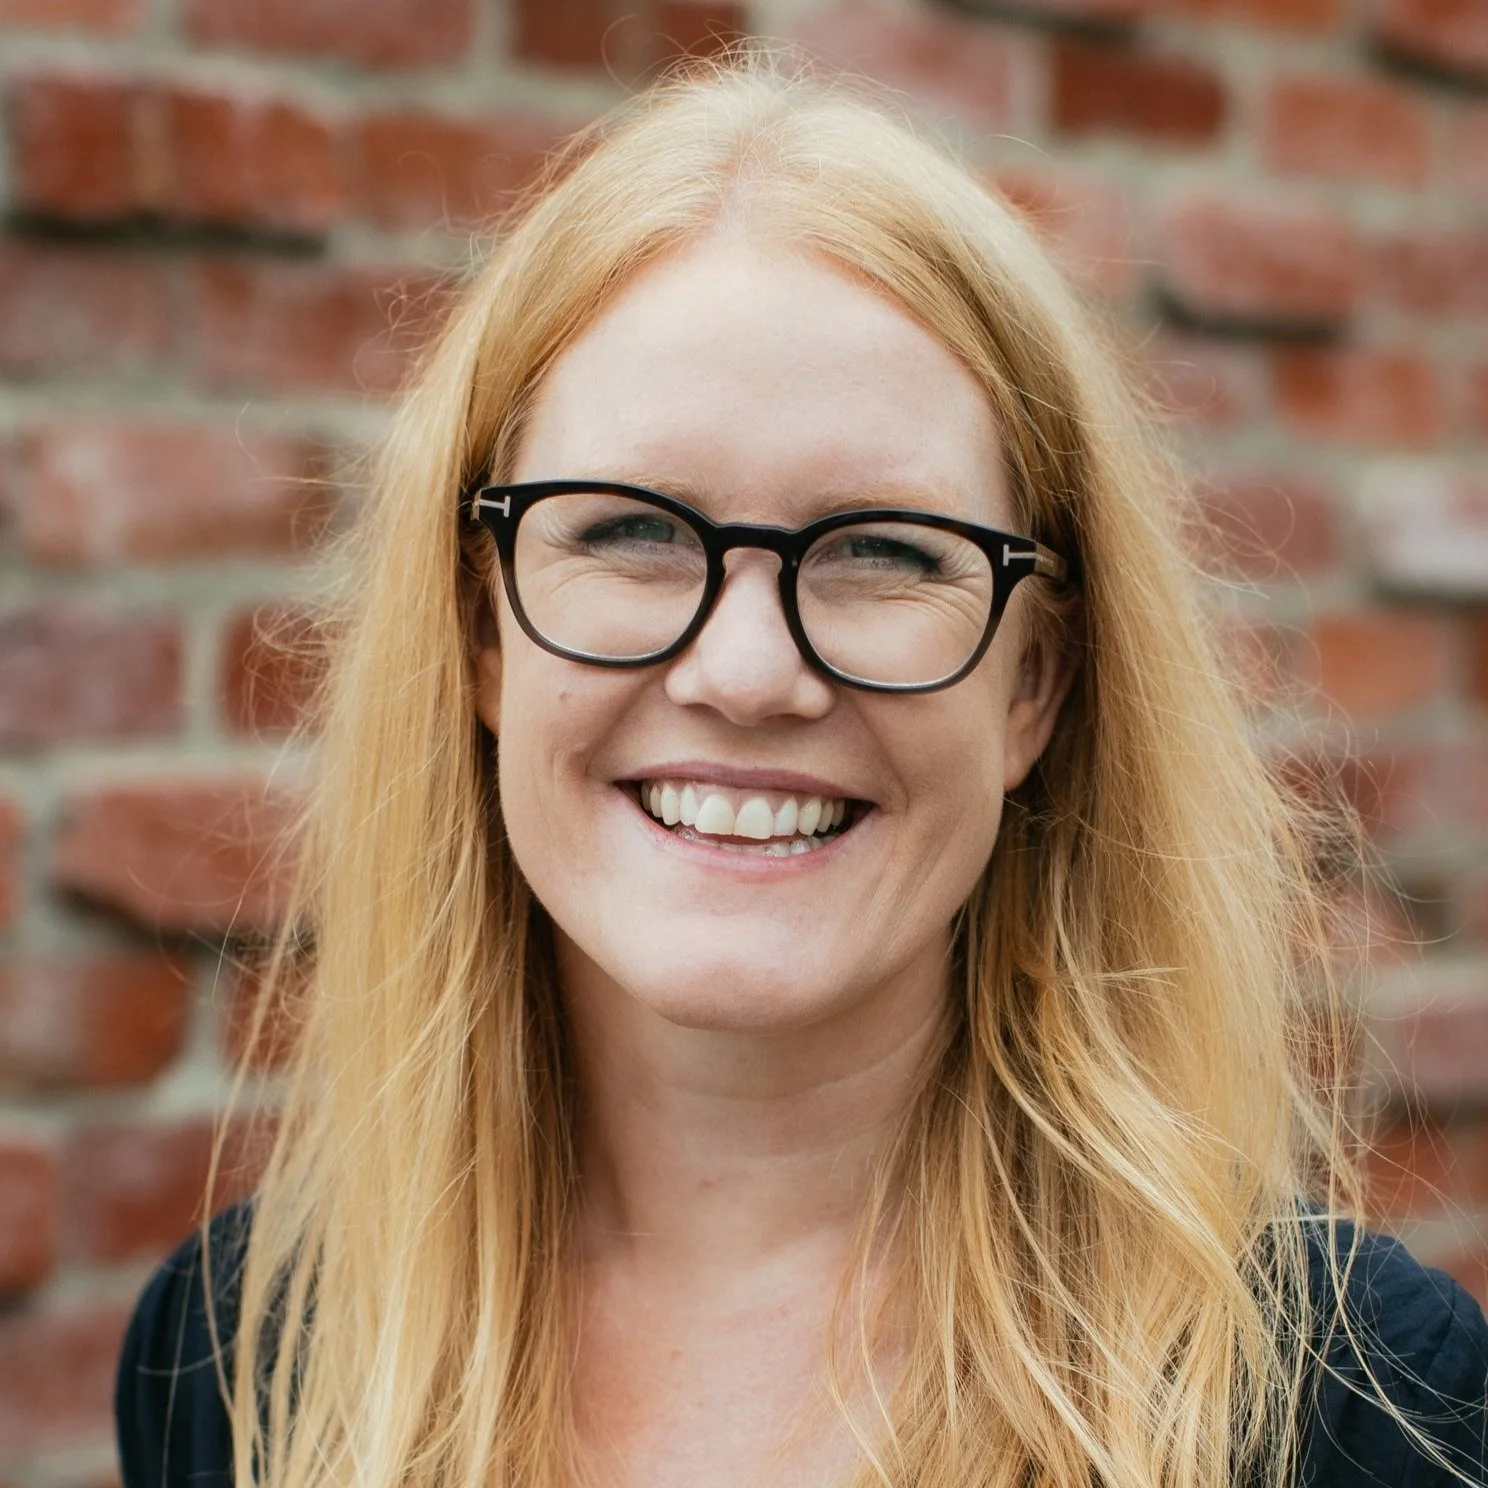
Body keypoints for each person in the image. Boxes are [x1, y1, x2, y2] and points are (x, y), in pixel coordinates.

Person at [115, 53, 1488, 1488]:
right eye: (631, 531)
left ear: (1035, 682)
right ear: (481, 632)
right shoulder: (236, 1361)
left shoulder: (1355, 1409)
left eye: (883, 552)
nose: (750, 672)